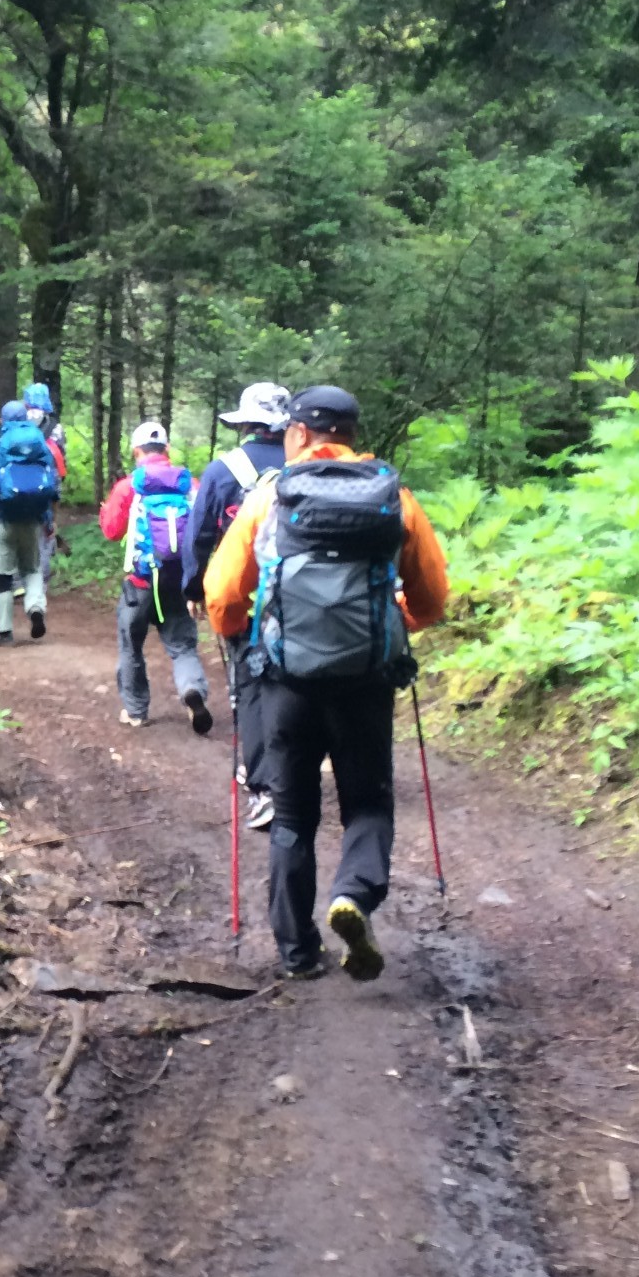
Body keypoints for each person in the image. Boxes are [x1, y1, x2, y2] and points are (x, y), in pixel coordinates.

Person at [204, 385, 449, 983]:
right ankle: (354, 894)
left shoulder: (271, 497)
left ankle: (297, 951)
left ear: (297, 435)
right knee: (367, 800)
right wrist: (393, 625)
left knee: (291, 814)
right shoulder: (395, 498)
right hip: (366, 680)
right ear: (350, 434)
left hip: (288, 682)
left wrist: (244, 633)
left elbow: (221, 593)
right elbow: (432, 597)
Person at [182, 382, 290, 830]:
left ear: (244, 424)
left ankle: (263, 784)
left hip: (246, 594)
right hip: (306, 594)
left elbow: (199, 534)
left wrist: (193, 589)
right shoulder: (308, 464)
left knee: (250, 682)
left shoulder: (224, 470)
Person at [98, 420, 213, 734]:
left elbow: (111, 531)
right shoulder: (191, 485)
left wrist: (104, 511)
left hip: (141, 584)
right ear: (167, 450)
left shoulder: (129, 487)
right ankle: (192, 691)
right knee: (183, 646)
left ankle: (136, 711)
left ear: (136, 451)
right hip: (178, 582)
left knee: (130, 645)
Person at [0, 398, 59, 645]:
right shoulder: (41, 447)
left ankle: (5, 632)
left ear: (3, 421)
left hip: (1, 521)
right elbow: (54, 489)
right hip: (32, 521)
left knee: (2, 576)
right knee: (31, 569)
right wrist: (51, 521)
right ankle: (35, 608)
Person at [23, 384, 68, 588]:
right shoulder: (56, 428)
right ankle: (40, 582)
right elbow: (61, 457)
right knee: (46, 531)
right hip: (49, 483)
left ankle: (21, 580)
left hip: (21, 484)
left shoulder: (20, 422)